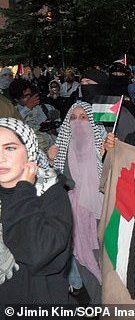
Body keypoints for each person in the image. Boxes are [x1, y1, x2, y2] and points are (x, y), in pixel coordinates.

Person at [0, 117, 73, 304]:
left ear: (29, 151)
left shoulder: (51, 193)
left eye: (10, 148)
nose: (1, 158)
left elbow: (38, 254)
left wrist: (24, 189)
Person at [48, 102, 106, 304]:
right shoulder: (60, 150)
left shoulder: (104, 146)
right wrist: (51, 164)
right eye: (73, 118)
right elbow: (54, 187)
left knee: (106, 263)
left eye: (84, 118)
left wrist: (106, 154)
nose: (78, 122)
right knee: (84, 264)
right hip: (73, 220)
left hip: (103, 215)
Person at [8, 79, 58, 151]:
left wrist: (54, 131)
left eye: (30, 95)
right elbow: (13, 131)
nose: (29, 98)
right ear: (16, 100)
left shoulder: (46, 108)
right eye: (25, 96)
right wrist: (27, 108)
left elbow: (61, 130)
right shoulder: (13, 113)